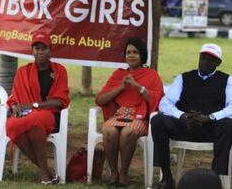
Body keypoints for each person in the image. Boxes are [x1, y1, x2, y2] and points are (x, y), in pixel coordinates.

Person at [151, 43, 232, 189]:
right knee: (158, 120)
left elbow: (231, 107)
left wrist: (210, 117)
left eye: (211, 60)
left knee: (228, 124)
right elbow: (165, 103)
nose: (205, 62)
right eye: (203, 58)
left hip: (211, 129)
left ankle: (213, 181)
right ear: (199, 58)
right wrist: (182, 116)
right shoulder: (184, 78)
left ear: (218, 63)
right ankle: (167, 179)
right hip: (185, 126)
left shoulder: (227, 80)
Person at [95, 37, 164, 187]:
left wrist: (138, 86)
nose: (131, 55)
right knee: (109, 131)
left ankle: (124, 173)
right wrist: (120, 87)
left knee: (128, 133)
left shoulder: (151, 75)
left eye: (135, 52)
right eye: (128, 52)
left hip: (139, 117)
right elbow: (100, 100)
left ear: (142, 55)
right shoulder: (118, 74)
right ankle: (114, 172)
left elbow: (157, 100)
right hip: (118, 115)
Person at [5, 32, 70, 185]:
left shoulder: (59, 71)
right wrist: (14, 106)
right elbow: (14, 97)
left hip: (50, 115)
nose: (40, 52)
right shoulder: (23, 72)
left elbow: (59, 101)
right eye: (37, 48)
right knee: (13, 126)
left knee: (35, 123)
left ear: (50, 50)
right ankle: (46, 170)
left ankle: (43, 172)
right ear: (32, 51)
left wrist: (33, 105)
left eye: (44, 48)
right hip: (27, 115)